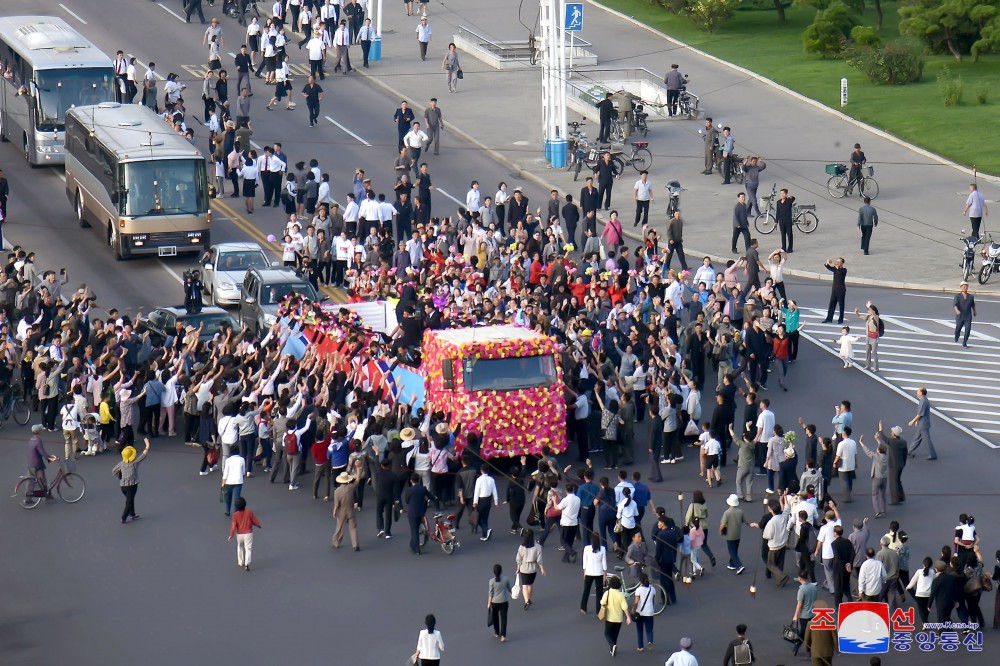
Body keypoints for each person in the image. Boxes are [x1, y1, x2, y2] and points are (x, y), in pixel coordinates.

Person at [112, 438, 151, 524]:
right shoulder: (135, 463)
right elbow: (143, 455)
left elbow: (113, 471)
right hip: (132, 485)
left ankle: (132, 514)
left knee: (130, 499)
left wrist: (120, 476)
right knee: (129, 502)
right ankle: (123, 518)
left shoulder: (121, 464)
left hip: (123, 486)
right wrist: (147, 445)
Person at [598, 575, 630, 657]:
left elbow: (602, 602)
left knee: (607, 633)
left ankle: (612, 646)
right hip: (618, 619)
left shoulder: (607, 593)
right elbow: (625, 607)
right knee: (615, 635)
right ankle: (612, 649)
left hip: (609, 617)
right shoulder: (620, 595)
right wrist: (628, 617)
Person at [857, 434, 888, 517]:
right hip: (884, 478)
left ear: (878, 451)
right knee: (883, 495)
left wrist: (861, 443)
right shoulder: (886, 457)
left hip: (876, 478)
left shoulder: (876, 456)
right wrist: (878, 440)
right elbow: (882, 448)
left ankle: (877, 511)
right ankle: (883, 510)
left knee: (875, 495)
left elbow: (868, 452)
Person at [403, 472, 434, 554]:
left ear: (411, 481)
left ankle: (416, 549)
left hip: (412, 513)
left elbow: (406, 501)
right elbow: (431, 496)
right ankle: (414, 544)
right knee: (420, 527)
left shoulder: (409, 490)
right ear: (419, 480)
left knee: (414, 531)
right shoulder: (423, 489)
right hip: (421, 512)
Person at [228, 496, 262, 571]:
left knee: (240, 547)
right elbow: (254, 521)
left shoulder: (235, 515)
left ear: (236, 506)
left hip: (239, 534)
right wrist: (259, 525)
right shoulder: (249, 512)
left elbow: (233, 526)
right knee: (248, 548)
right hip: (248, 533)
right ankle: (247, 563)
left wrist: (231, 535)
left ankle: (240, 562)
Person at [515, 528, 545, 609]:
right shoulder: (537, 547)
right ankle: (529, 598)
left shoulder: (522, 547)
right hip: (533, 568)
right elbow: (539, 559)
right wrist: (542, 568)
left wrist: (518, 568)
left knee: (524, 585)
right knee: (530, 584)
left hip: (524, 568)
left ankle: (526, 601)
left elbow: (519, 558)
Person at [803, 600, 838, 665]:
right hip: (828, 652)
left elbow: (807, 639)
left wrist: (807, 649)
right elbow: (835, 638)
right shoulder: (830, 623)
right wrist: (838, 650)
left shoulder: (810, 624)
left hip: (816, 652)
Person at [332, 471, 360, 551]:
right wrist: (358, 469)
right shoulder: (351, 487)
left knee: (340, 527)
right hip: (350, 510)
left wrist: (334, 511)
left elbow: (336, 505)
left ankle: (336, 542)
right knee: (353, 527)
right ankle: (355, 544)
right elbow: (358, 480)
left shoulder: (337, 491)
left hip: (342, 511)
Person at [791, 571, 818, 656]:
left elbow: (800, 604)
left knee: (803, 632)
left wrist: (795, 615)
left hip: (804, 615)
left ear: (799, 578)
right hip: (813, 614)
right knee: (812, 633)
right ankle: (811, 650)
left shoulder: (801, 590)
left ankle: (797, 645)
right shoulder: (813, 587)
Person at [27, 424, 58, 495]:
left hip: (30, 464)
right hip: (37, 465)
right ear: (39, 432)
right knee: (43, 481)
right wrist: (51, 458)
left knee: (30, 482)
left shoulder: (31, 439)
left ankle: (27, 499)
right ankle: (47, 495)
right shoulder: (38, 440)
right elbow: (42, 452)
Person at [907, 387, 937, 460]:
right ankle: (910, 451)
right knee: (917, 438)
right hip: (922, 423)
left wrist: (912, 421)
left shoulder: (923, 401)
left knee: (926, 439)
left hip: (923, 424)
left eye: (918, 391)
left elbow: (920, 414)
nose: (917, 392)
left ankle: (932, 455)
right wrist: (917, 421)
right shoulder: (924, 400)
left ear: (921, 392)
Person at [581, 534, 607, 614]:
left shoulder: (587, 548)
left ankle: (583, 607)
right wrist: (605, 574)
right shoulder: (602, 549)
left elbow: (585, 560)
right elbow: (604, 562)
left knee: (586, 590)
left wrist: (584, 571)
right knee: (599, 592)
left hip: (589, 572)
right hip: (599, 572)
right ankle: (598, 610)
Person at [487, 563, 513, 642]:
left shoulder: (491, 581)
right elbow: (509, 589)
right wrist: (513, 595)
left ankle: (497, 632)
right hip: (504, 602)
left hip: (494, 602)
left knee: (495, 618)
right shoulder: (506, 579)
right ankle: (503, 636)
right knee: (504, 618)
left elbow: (490, 593)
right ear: (501, 571)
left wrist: (489, 603)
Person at [473, 464, 499, 541]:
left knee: (478, 518)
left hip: (481, 500)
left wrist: (475, 502)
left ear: (481, 471)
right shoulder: (491, 479)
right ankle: (485, 535)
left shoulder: (479, 480)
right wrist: (496, 502)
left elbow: (476, 491)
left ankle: (486, 530)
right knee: (485, 517)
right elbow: (495, 491)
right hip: (489, 500)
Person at [632, 572, 656, 653]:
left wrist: (633, 610)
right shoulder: (652, 589)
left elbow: (636, 602)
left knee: (640, 630)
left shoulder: (638, 590)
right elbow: (653, 600)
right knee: (649, 629)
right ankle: (650, 641)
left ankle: (640, 647)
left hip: (640, 613)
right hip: (649, 612)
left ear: (640, 581)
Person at [221, 444, 245, 516]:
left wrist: (223, 481)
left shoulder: (228, 460)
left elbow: (225, 472)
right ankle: (236, 511)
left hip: (229, 481)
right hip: (238, 480)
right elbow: (243, 471)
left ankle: (227, 510)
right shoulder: (242, 459)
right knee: (237, 497)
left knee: (228, 496)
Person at [822, 257, 847, 324]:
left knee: (841, 305)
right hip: (834, 289)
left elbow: (839, 272)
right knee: (831, 304)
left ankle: (840, 319)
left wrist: (834, 264)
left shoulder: (844, 270)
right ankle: (829, 318)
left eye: (839, 262)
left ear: (842, 263)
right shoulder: (835, 269)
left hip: (841, 290)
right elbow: (827, 266)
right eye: (837, 262)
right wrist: (827, 262)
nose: (837, 263)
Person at [953, 280, 976, 348]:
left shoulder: (970, 297)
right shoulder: (957, 296)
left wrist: (974, 311)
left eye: (966, 286)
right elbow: (955, 305)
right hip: (960, 316)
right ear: (960, 287)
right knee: (958, 328)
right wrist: (957, 311)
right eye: (963, 286)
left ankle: (965, 342)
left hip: (968, 316)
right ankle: (957, 335)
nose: (965, 287)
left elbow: (973, 305)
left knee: (968, 330)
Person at [775, 188, 795, 253]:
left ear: (786, 194)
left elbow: (793, 198)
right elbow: (777, 212)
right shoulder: (778, 202)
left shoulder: (789, 201)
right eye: (781, 193)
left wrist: (789, 197)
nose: (782, 195)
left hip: (788, 221)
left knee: (789, 234)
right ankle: (783, 247)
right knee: (782, 235)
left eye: (783, 193)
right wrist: (776, 221)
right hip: (781, 221)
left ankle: (790, 248)